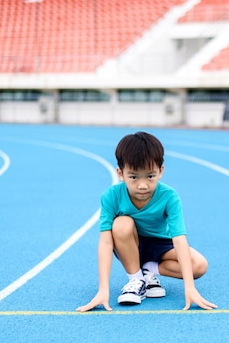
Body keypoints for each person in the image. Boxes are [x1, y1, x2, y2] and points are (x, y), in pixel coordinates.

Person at [77, 131, 217, 312]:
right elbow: (105, 241)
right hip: (130, 244)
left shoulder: (169, 196)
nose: (142, 185)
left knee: (199, 265)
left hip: (161, 245)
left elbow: (179, 239)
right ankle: (136, 279)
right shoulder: (111, 196)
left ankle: (149, 269)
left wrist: (189, 287)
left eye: (150, 176)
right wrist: (103, 289)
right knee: (121, 224)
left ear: (161, 171)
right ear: (121, 173)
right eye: (134, 177)